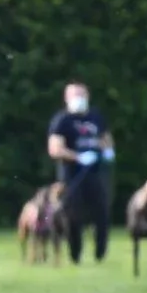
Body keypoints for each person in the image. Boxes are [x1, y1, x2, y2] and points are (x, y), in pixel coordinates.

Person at [47, 81, 115, 264]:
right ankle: (75, 254)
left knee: (102, 212)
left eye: (82, 95)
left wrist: (108, 151)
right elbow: (54, 149)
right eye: (75, 96)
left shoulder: (96, 117)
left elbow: (106, 138)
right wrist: (78, 157)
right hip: (72, 176)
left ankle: (101, 253)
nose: (80, 99)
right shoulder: (62, 120)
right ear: (67, 99)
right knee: (73, 216)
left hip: (95, 173)